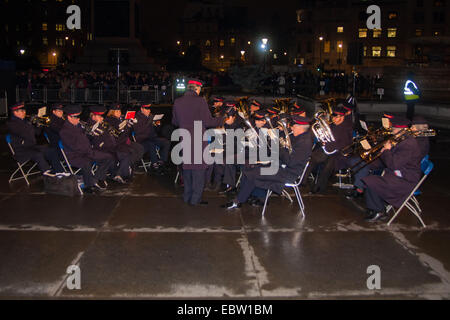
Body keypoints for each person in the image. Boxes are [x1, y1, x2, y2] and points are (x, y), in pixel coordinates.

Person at [224, 115, 313, 209]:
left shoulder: (304, 143)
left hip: (288, 173)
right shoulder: (299, 137)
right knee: (251, 168)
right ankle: (248, 197)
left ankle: (240, 200)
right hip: (281, 167)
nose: (291, 128)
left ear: (300, 128)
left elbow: (290, 162)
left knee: (253, 172)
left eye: (293, 127)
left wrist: (280, 147)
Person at [172, 78, 225, 206]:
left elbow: (175, 121)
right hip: (197, 139)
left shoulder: (177, 101)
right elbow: (208, 122)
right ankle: (195, 200)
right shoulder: (200, 101)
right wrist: (222, 119)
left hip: (184, 139)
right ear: (197, 88)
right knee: (199, 171)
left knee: (188, 169)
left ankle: (187, 197)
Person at [361, 117, 422, 222]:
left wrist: (387, 151)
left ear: (400, 130)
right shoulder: (402, 139)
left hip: (405, 179)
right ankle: (375, 207)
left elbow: (393, 164)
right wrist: (385, 150)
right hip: (399, 174)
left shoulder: (408, 144)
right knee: (370, 180)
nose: (392, 131)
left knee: (371, 181)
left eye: (393, 129)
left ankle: (379, 211)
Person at [59, 104, 115, 193]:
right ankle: (89, 185)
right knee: (86, 162)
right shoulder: (65, 130)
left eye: (79, 117)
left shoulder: (78, 125)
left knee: (108, 157)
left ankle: (97, 178)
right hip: (76, 155)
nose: (78, 119)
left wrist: (89, 133)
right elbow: (74, 147)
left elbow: (85, 139)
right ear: (69, 117)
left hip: (87, 151)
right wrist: (89, 151)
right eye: (76, 117)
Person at [306, 105, 353, 194]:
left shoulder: (347, 127)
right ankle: (303, 180)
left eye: (336, 118)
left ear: (342, 117)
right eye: (333, 117)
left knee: (328, 165)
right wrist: (322, 140)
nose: (334, 120)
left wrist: (328, 146)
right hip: (330, 150)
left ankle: (319, 187)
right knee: (313, 157)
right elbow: (327, 138)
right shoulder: (333, 125)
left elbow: (344, 144)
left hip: (341, 153)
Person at [7, 102, 64, 175]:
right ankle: (48, 173)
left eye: (24, 110)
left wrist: (39, 124)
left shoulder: (25, 121)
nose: (24, 112)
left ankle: (60, 172)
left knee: (51, 150)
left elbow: (37, 133)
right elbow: (23, 132)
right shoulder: (11, 123)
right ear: (15, 112)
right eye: (22, 111)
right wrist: (30, 123)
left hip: (32, 146)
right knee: (38, 154)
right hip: (21, 149)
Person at [87, 105, 131, 184]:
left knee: (126, 152)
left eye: (102, 116)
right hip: (102, 149)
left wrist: (124, 128)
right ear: (93, 116)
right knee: (120, 155)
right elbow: (93, 142)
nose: (102, 118)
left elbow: (116, 134)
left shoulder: (102, 123)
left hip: (111, 146)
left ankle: (119, 174)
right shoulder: (90, 127)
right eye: (99, 116)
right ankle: (116, 175)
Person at [104, 104, 145, 175]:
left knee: (140, 148)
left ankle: (127, 166)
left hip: (125, 140)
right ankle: (124, 170)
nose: (119, 113)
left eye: (119, 111)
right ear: (112, 112)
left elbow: (127, 132)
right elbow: (116, 135)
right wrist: (125, 127)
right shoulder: (109, 120)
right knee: (132, 151)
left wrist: (129, 125)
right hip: (117, 143)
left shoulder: (121, 118)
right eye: (116, 111)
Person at [134, 103, 171, 172]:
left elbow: (156, 131)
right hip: (142, 139)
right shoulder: (136, 118)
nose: (148, 111)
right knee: (151, 144)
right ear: (142, 109)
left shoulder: (151, 116)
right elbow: (139, 131)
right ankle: (154, 164)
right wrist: (150, 121)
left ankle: (162, 162)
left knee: (166, 142)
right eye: (146, 109)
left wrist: (157, 125)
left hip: (152, 137)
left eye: (149, 109)